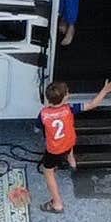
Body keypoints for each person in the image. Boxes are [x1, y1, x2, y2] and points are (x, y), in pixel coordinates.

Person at [36, 81, 79, 214]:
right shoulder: (69, 109)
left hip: (54, 150)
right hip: (68, 145)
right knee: (69, 134)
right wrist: (105, 91)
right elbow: (92, 104)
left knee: (47, 171)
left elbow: (37, 128)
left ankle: (57, 204)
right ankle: (71, 161)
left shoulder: (43, 114)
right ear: (65, 97)